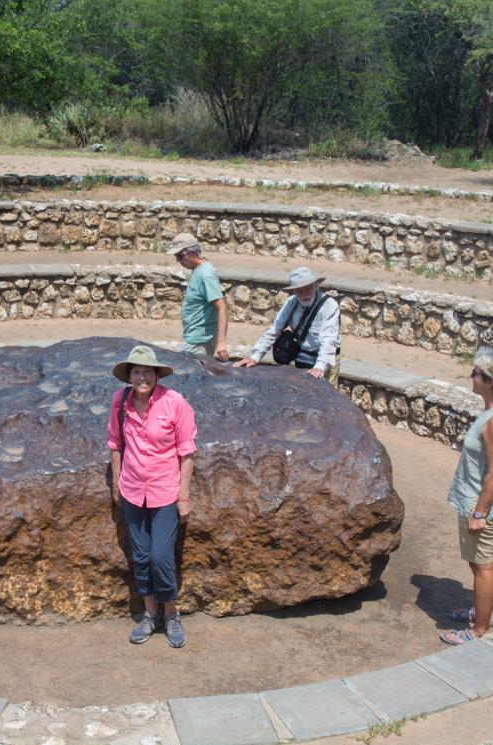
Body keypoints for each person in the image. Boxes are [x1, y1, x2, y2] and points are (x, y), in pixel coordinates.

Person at [107, 345, 197, 648]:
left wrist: (184, 496)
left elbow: (187, 452)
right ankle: (150, 613)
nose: (142, 377)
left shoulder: (175, 403)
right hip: (133, 490)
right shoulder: (120, 402)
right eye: (136, 371)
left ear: (156, 375)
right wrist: (117, 483)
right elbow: (115, 443)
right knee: (141, 555)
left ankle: (171, 612)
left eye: (147, 371)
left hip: (164, 491)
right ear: (129, 376)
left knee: (160, 556)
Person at [440, 347, 493, 645]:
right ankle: (482, 610)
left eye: (475, 373)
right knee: (483, 559)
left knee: (482, 564)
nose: (470, 377)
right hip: (480, 499)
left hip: (480, 502)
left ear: (490, 381)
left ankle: (479, 630)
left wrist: (479, 513)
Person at [233, 266, 341, 386]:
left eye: (307, 289)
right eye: (300, 290)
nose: (304, 294)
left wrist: (320, 367)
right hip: (302, 356)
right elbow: (274, 330)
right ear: (294, 291)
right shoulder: (291, 302)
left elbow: (328, 340)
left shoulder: (329, 305)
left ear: (314, 286)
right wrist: (255, 357)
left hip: (325, 360)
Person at [167, 233, 230, 361]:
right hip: (196, 338)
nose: (179, 261)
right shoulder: (199, 270)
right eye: (176, 257)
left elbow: (222, 307)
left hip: (199, 342)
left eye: (180, 256)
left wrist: (221, 342)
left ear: (192, 253)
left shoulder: (205, 274)